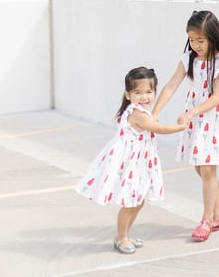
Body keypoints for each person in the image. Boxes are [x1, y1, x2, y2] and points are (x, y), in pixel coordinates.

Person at [153, 10, 219, 242]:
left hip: (215, 116)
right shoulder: (189, 57)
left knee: (207, 169)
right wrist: (154, 114)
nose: (195, 45)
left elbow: (217, 97)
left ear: (213, 37)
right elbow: (170, 85)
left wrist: (193, 112)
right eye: (192, 39)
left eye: (200, 40)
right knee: (201, 168)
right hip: (196, 115)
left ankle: (207, 220)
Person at [75, 66, 187, 254]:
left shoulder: (138, 111)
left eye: (149, 92)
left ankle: (126, 234)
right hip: (131, 164)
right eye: (138, 92)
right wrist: (180, 127)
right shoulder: (138, 114)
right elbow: (159, 129)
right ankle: (120, 237)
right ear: (128, 95)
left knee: (138, 201)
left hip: (139, 162)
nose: (144, 97)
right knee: (130, 202)